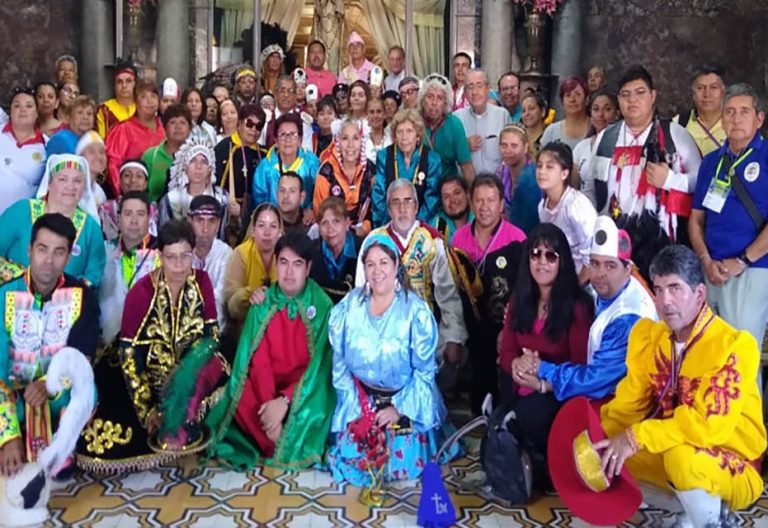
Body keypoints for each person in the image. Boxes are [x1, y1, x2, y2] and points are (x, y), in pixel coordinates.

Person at [599, 245, 766, 526]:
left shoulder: (733, 347)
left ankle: (711, 521)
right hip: (674, 445)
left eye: (675, 288)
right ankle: (693, 511)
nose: (665, 301)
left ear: (700, 294)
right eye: (659, 289)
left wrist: (636, 437)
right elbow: (628, 406)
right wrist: (603, 436)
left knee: (681, 459)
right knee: (609, 454)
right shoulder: (650, 338)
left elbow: (705, 426)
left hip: (733, 463)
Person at [77, 220, 225, 474]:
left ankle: (188, 430)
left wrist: (185, 370)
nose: (178, 265)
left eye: (184, 256)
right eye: (171, 257)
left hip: (192, 369)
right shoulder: (142, 293)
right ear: (160, 256)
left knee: (220, 369)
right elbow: (129, 355)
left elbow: (210, 336)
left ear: (193, 254)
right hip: (147, 372)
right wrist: (146, 411)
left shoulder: (202, 282)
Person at [328, 233, 460, 486]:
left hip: (405, 398)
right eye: (370, 264)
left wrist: (398, 408)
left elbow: (424, 372)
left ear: (396, 265)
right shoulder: (349, 307)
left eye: (384, 263)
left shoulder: (415, 311)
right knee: (353, 453)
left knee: (400, 460)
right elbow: (340, 364)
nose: (377, 271)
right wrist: (356, 406)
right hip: (361, 398)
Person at [205, 231, 334, 469]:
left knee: (322, 397)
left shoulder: (322, 305)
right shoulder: (262, 303)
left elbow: (320, 367)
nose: (289, 272)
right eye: (283, 263)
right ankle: (271, 434)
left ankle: (281, 436)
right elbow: (256, 362)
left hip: (303, 392)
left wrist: (285, 402)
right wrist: (269, 414)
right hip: (265, 394)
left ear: (308, 268)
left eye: (297, 264)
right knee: (239, 392)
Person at [0, 213, 99, 478]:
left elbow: (81, 358)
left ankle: (62, 445)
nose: (49, 260)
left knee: (86, 391)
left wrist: (47, 384)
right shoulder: (4, 294)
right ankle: (14, 437)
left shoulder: (82, 296)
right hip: (12, 393)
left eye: (59, 252)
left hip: (58, 393)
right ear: (29, 250)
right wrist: (7, 437)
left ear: (68, 258)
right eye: (42, 249)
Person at [521, 216, 657, 405]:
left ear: (628, 269)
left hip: (624, 406)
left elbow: (595, 379)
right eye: (594, 264)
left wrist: (542, 369)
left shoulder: (629, 318)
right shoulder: (600, 290)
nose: (600, 273)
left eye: (610, 265)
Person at [498, 223, 594, 491]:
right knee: (500, 419)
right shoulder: (520, 299)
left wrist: (542, 377)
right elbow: (507, 351)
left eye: (550, 256)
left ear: (562, 262)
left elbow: (580, 369)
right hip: (520, 384)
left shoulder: (577, 306)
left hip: (557, 393)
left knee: (528, 414)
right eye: (535, 254)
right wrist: (517, 364)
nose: (542, 262)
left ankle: (552, 468)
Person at [590, 65, 702, 280]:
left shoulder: (675, 135)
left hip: (662, 239)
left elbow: (700, 182)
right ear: (619, 101)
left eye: (640, 93)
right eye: (626, 95)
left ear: (653, 96)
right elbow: (589, 185)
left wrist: (671, 180)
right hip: (616, 239)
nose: (632, 100)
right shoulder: (605, 138)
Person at [689, 83, 768, 356]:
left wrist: (743, 260)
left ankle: (748, 401)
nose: (736, 119)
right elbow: (696, 219)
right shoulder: (711, 162)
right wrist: (705, 260)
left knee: (739, 356)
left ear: (759, 118)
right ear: (722, 118)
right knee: (709, 353)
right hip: (712, 269)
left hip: (754, 268)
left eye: (744, 112)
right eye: (730, 112)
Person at [360, 180, 467, 381]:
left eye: (408, 202)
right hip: (383, 330)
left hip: (424, 331)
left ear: (416, 207)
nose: (402, 209)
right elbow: (362, 293)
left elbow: (448, 296)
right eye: (396, 203)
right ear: (388, 208)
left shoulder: (432, 241)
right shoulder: (374, 241)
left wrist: (453, 337)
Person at [0, 154, 106, 288]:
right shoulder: (21, 211)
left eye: (77, 181)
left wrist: (62, 290)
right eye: (63, 179)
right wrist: (23, 279)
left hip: (66, 305)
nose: (70, 186)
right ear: (48, 184)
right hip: (12, 299)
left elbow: (94, 274)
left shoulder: (91, 228)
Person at [99, 191, 159, 345]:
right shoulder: (104, 250)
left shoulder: (162, 252)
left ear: (149, 218)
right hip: (109, 343)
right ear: (118, 219)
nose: (134, 220)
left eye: (140, 214)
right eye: (128, 214)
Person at [536, 143, 597, 283]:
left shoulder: (576, 207)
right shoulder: (542, 207)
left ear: (564, 173)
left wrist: (575, 290)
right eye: (539, 166)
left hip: (586, 283)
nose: (542, 171)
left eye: (549, 167)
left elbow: (591, 258)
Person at [373, 109, 442, 225]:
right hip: (389, 223)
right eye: (400, 132)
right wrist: (391, 226)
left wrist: (413, 226)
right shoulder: (384, 157)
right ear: (394, 136)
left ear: (418, 135)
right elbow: (379, 196)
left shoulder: (432, 159)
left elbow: (432, 199)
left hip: (421, 223)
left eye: (409, 131)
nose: (404, 137)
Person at [252, 112, 320, 221]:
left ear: (300, 140)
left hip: (305, 221)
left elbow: (320, 192)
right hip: (274, 221)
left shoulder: (312, 162)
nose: (288, 140)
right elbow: (260, 203)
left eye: (292, 134)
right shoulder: (264, 167)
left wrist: (313, 209)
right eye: (283, 134)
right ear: (276, 140)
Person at [214, 103, 267, 242]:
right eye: (249, 123)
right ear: (239, 124)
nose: (253, 129)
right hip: (229, 218)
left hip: (257, 216)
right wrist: (228, 206)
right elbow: (215, 187)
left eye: (259, 126)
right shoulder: (224, 148)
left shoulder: (265, 153)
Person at [314, 119, 375, 236]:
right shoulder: (327, 171)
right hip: (331, 233)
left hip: (364, 234)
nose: (350, 145)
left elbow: (375, 209)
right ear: (338, 141)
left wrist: (364, 229)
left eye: (356, 138)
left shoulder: (370, 170)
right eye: (345, 138)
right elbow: (320, 211)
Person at [224, 203, 281, 326]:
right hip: (246, 330)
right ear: (253, 231)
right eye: (261, 225)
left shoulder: (287, 256)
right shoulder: (241, 253)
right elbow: (231, 307)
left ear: (280, 232)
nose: (267, 232)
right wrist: (249, 295)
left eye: (273, 226)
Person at [157, 137, 229, 235]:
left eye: (204, 162)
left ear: (210, 169)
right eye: (193, 161)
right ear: (185, 167)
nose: (198, 167)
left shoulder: (221, 198)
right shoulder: (170, 200)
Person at [105, 79, 165, 196]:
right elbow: (113, 166)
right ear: (136, 102)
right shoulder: (123, 129)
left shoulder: (165, 129)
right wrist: (122, 197)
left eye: (153, 96)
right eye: (143, 97)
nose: (149, 101)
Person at [454, 69, 512, 176]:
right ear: (465, 93)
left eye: (479, 86)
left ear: (487, 89)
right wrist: (462, 146)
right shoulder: (457, 118)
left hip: (496, 185)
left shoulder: (502, 115)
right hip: (465, 186)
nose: (475, 92)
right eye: (470, 87)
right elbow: (447, 155)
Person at [420, 73, 475, 182]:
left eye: (439, 98)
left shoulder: (454, 124)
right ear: (422, 100)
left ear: (445, 103)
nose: (434, 102)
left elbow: (466, 166)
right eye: (430, 96)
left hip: (447, 185)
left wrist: (472, 195)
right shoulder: (414, 122)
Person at [189, 195, 233, 329]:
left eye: (211, 221)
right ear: (189, 221)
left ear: (219, 223)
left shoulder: (226, 253)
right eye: (199, 220)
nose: (205, 228)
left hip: (216, 331)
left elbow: (219, 300)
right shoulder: (179, 252)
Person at [0, 88, 46, 215]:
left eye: (29, 106)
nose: (23, 109)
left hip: (21, 223)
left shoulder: (47, 146)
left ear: (37, 113)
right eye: (17, 105)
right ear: (10, 112)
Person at [311, 197, 361, 304]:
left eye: (336, 221)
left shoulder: (362, 249)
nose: (330, 229)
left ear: (347, 224)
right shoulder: (311, 251)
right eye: (324, 223)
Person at [573, 90, 620, 202]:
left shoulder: (623, 145)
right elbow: (574, 186)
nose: (600, 115)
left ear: (617, 113)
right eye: (596, 109)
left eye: (607, 109)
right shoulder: (581, 147)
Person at [674, 64, 727, 157]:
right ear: (693, 94)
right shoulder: (678, 124)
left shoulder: (735, 122)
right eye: (700, 88)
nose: (707, 94)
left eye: (713, 87)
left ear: (723, 92)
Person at [143, 103, 193, 201]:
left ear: (190, 128)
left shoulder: (198, 158)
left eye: (183, 122)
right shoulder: (151, 156)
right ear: (164, 128)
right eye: (172, 122)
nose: (178, 127)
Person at [496, 124, 541, 234]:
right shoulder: (501, 171)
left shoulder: (534, 177)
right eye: (504, 145)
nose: (508, 150)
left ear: (525, 147)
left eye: (514, 146)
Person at [99, 160, 159, 241]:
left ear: (145, 184)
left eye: (139, 176)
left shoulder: (154, 211)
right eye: (127, 175)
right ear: (119, 181)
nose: (133, 180)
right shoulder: (106, 209)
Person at [260, 75, 314, 152]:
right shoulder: (266, 120)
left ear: (295, 96)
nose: (286, 95)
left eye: (290, 91)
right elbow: (260, 150)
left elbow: (307, 153)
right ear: (275, 94)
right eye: (282, 91)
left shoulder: (304, 122)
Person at [541, 77, 590, 150]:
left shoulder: (596, 128)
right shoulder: (551, 131)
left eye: (578, 94)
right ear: (562, 102)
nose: (572, 99)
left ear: (587, 100)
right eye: (568, 95)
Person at [96, 59, 137, 139]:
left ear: (135, 83)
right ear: (114, 85)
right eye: (119, 82)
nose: (124, 85)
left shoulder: (141, 108)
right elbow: (101, 142)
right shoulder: (105, 110)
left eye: (128, 81)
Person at [430, 175, 474, 243]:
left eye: (457, 193)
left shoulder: (479, 219)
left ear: (467, 194)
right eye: (446, 196)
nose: (452, 199)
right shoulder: (437, 225)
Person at [75, 130, 109, 206]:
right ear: (80, 156)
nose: (98, 156)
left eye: (101, 152)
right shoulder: (71, 188)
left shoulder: (100, 193)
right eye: (91, 152)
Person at [521, 92, 548, 158]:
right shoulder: (518, 136)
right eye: (523, 111)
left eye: (531, 109)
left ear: (542, 112)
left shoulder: (550, 135)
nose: (527, 113)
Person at [365, 97, 391, 162]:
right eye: (371, 112)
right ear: (367, 115)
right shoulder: (362, 140)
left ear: (384, 114)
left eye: (379, 111)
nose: (375, 116)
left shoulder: (392, 137)